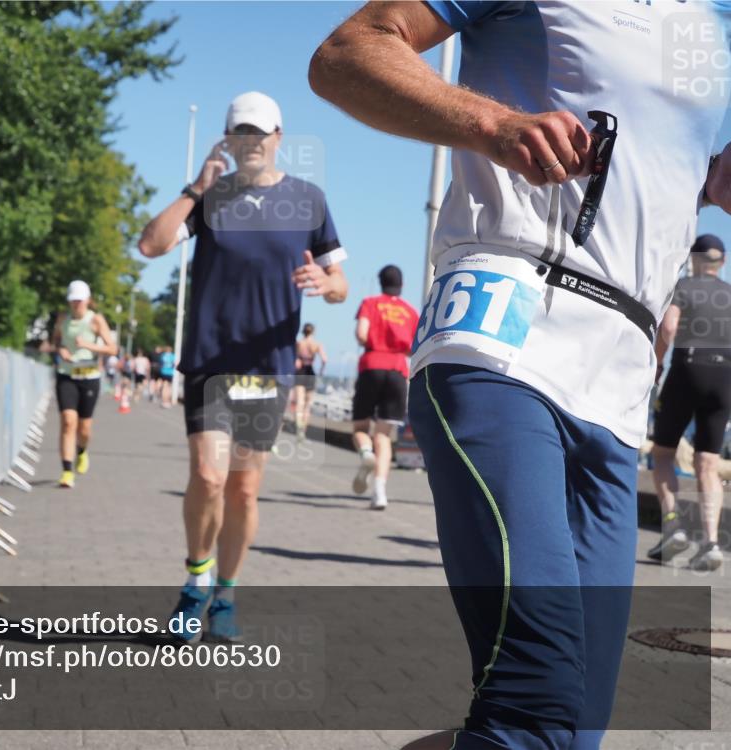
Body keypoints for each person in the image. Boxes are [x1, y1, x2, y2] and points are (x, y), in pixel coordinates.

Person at [309, 2, 731, 748]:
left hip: (621, 377)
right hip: (505, 332)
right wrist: (492, 125)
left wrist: (712, 181)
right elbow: (346, 55)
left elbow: (668, 169)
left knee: (571, 735)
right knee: (536, 702)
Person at [138, 91, 348, 642]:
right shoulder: (211, 199)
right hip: (211, 361)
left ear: (279, 137)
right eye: (240, 133)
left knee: (243, 491)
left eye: (260, 133)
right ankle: (195, 582)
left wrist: (326, 285)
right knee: (208, 477)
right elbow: (150, 245)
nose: (251, 142)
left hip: (267, 367)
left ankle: (226, 594)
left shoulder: (309, 200)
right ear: (226, 141)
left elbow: (341, 284)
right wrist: (194, 188)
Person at [650, 234, 731, 571]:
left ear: (695, 259)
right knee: (708, 462)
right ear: (722, 262)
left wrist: (656, 366)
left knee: (664, 453)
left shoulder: (684, 285)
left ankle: (673, 525)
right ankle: (711, 543)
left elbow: (668, 328)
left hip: (688, 369)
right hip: (725, 378)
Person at [350, 265, 419, 510]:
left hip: (371, 365)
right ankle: (379, 492)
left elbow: (361, 334)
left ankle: (366, 454)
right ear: (401, 284)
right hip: (398, 371)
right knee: (384, 436)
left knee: (360, 427)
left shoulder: (370, 303)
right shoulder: (410, 312)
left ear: (380, 282)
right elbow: (415, 347)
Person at [43, 280, 117, 488]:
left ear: (87, 300)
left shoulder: (96, 320)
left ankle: (82, 452)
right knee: (68, 421)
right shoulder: (62, 319)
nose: (76, 304)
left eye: (79, 301)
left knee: (84, 428)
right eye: (72, 300)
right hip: (66, 375)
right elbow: (56, 341)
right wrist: (61, 350)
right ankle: (67, 471)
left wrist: (88, 345)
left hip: (89, 376)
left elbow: (112, 349)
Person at [292, 323, 326, 443]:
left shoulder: (299, 343)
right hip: (310, 372)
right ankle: (303, 431)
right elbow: (324, 359)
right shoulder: (317, 344)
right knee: (307, 404)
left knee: (299, 402)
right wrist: (321, 372)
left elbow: (294, 359)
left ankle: (298, 430)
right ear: (313, 332)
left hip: (300, 372)